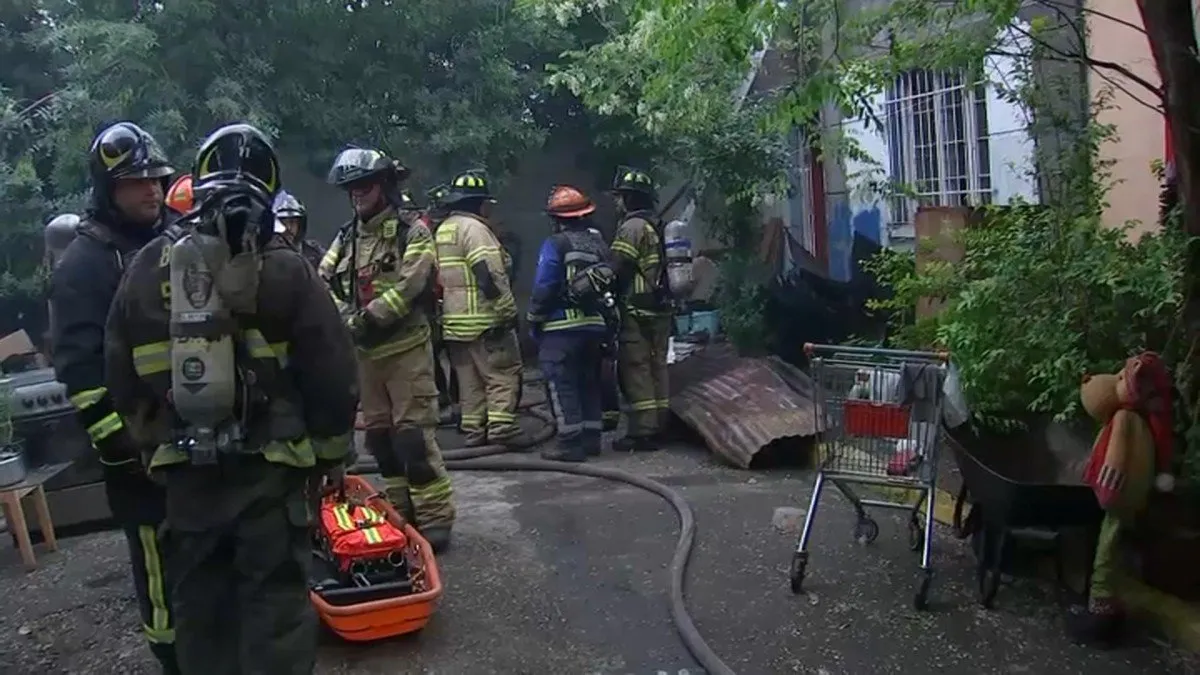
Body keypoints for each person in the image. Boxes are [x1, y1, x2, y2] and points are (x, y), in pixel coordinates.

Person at [103, 123, 358, 675]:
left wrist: (152, 445)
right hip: (272, 470)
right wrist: (332, 454)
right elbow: (332, 372)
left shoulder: (147, 267)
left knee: (200, 604)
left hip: (186, 476)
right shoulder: (287, 267)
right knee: (274, 600)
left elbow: (120, 371)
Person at [49, 121, 179, 673]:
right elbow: (78, 367)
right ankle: (172, 654)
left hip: (192, 431)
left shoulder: (176, 241)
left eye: (156, 179)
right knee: (157, 560)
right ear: (108, 189)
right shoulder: (86, 264)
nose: (151, 190)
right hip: (138, 451)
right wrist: (121, 446)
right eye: (135, 182)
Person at [321, 147, 456, 551]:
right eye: (350, 188)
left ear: (382, 186)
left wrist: (369, 317)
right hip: (366, 356)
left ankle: (435, 517)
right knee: (379, 439)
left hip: (405, 351)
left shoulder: (411, 231)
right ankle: (402, 511)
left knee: (412, 438)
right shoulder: (346, 237)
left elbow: (413, 281)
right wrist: (345, 318)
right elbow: (322, 280)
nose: (356, 194)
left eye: (363, 185)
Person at [434, 170, 526, 448]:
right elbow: (487, 273)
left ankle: (474, 430)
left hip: (455, 322)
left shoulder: (444, 229)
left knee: (469, 379)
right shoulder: (475, 229)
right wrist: (507, 311)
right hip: (485, 320)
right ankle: (500, 428)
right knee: (502, 373)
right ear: (477, 203)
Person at [527, 185, 616, 462]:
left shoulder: (556, 244)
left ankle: (569, 443)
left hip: (560, 330)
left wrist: (534, 318)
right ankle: (591, 439)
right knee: (588, 382)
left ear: (556, 219)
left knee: (561, 383)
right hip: (595, 326)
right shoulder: (600, 245)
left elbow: (545, 285)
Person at [609, 166, 672, 452]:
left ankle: (643, 431)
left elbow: (619, 266)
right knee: (658, 366)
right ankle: (660, 424)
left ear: (630, 198)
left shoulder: (632, 227)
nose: (617, 202)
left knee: (636, 368)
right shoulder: (657, 224)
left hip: (636, 309)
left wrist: (606, 291)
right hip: (660, 308)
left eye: (620, 196)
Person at [425, 183, 460, 422]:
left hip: (452, 300)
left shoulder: (457, 228)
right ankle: (443, 399)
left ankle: (457, 404)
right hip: (431, 302)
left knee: (456, 354)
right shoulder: (421, 229)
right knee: (431, 354)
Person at [273, 190, 323, 267]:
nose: (288, 228)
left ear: (300, 224)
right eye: (283, 223)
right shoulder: (263, 252)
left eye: (292, 222)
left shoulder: (314, 254)